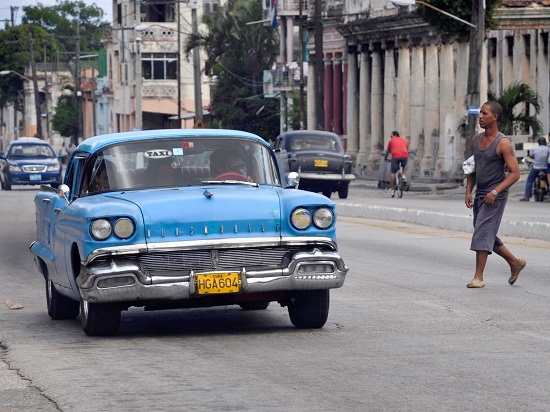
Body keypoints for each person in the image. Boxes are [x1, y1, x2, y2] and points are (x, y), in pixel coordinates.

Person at [464, 101, 526, 288]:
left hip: (495, 195)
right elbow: (472, 168)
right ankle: (515, 262)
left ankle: (478, 277)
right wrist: (468, 191)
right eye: (480, 113)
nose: (480, 116)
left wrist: (495, 191)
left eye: (484, 113)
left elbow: (515, 173)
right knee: (484, 231)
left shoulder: (503, 143)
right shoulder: (475, 140)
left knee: (482, 231)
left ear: (495, 117)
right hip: (480, 193)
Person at [519, 137, 549, 201]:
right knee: (548, 181)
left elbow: (531, 155)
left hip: (536, 168)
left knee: (529, 180)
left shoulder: (536, 149)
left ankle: (527, 196)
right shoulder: (548, 149)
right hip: (546, 168)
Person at [384, 131, 409, 197]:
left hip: (395, 157)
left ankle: (392, 190)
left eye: (391, 136)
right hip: (404, 155)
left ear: (394, 135)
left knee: (393, 172)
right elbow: (406, 148)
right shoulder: (404, 140)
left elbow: (388, 151)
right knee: (405, 164)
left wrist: (385, 158)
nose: (390, 137)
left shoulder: (391, 141)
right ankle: (403, 175)